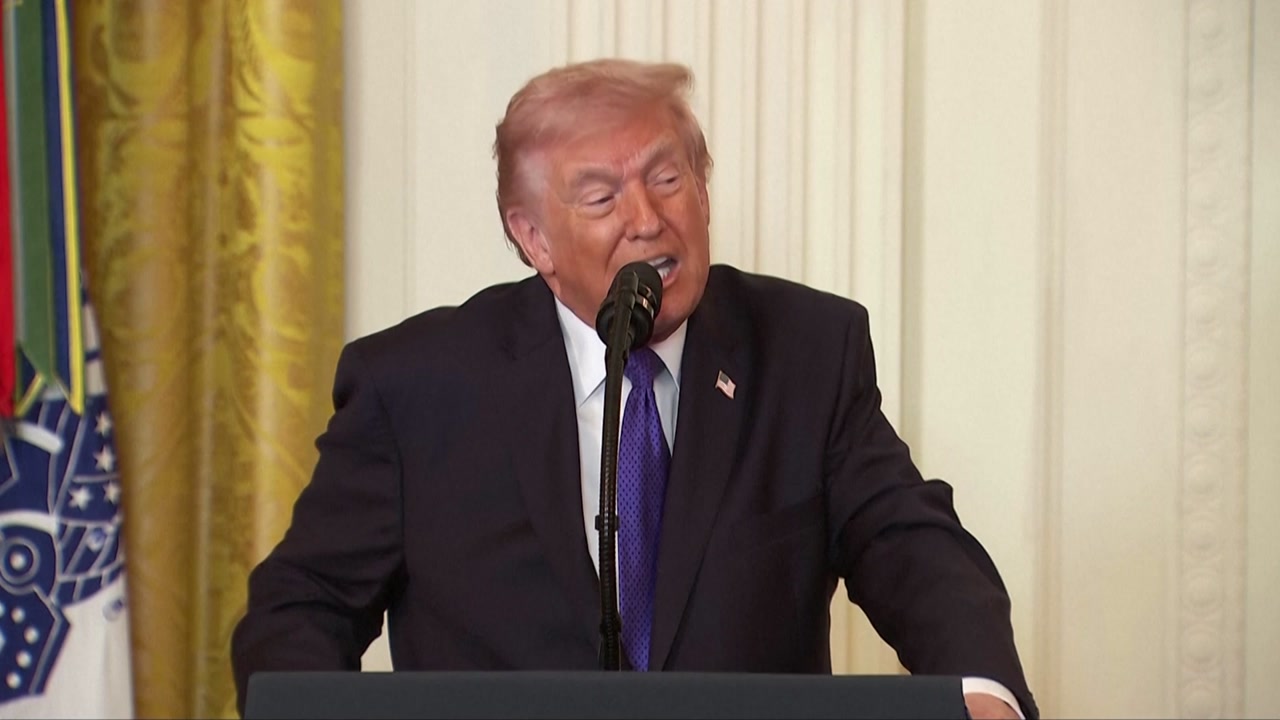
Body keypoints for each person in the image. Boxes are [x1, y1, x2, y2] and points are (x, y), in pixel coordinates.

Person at [231, 59, 1036, 720]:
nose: (647, 219)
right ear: (533, 238)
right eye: (602, 198)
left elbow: (908, 544)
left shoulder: (806, 353)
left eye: (668, 178)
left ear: (704, 189)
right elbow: (301, 604)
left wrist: (982, 688)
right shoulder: (419, 387)